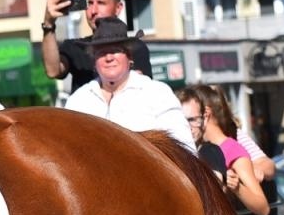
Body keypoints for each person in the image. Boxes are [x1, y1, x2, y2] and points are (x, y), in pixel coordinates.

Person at [62, 17, 193, 149]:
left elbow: (185, 149)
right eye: (102, 52)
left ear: (129, 56)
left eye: (115, 51)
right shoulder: (78, 101)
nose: (109, 58)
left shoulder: (156, 93)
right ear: (94, 60)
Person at [179, 85, 270, 215]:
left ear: (206, 114)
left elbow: (263, 208)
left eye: (191, 119)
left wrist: (237, 187)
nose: (187, 126)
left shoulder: (231, 149)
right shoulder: (197, 147)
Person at [40, 0, 125, 91]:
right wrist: (48, 24)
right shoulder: (75, 47)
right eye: (89, 3)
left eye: (101, 3)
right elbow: (53, 71)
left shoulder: (133, 47)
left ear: (118, 8)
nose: (93, 11)